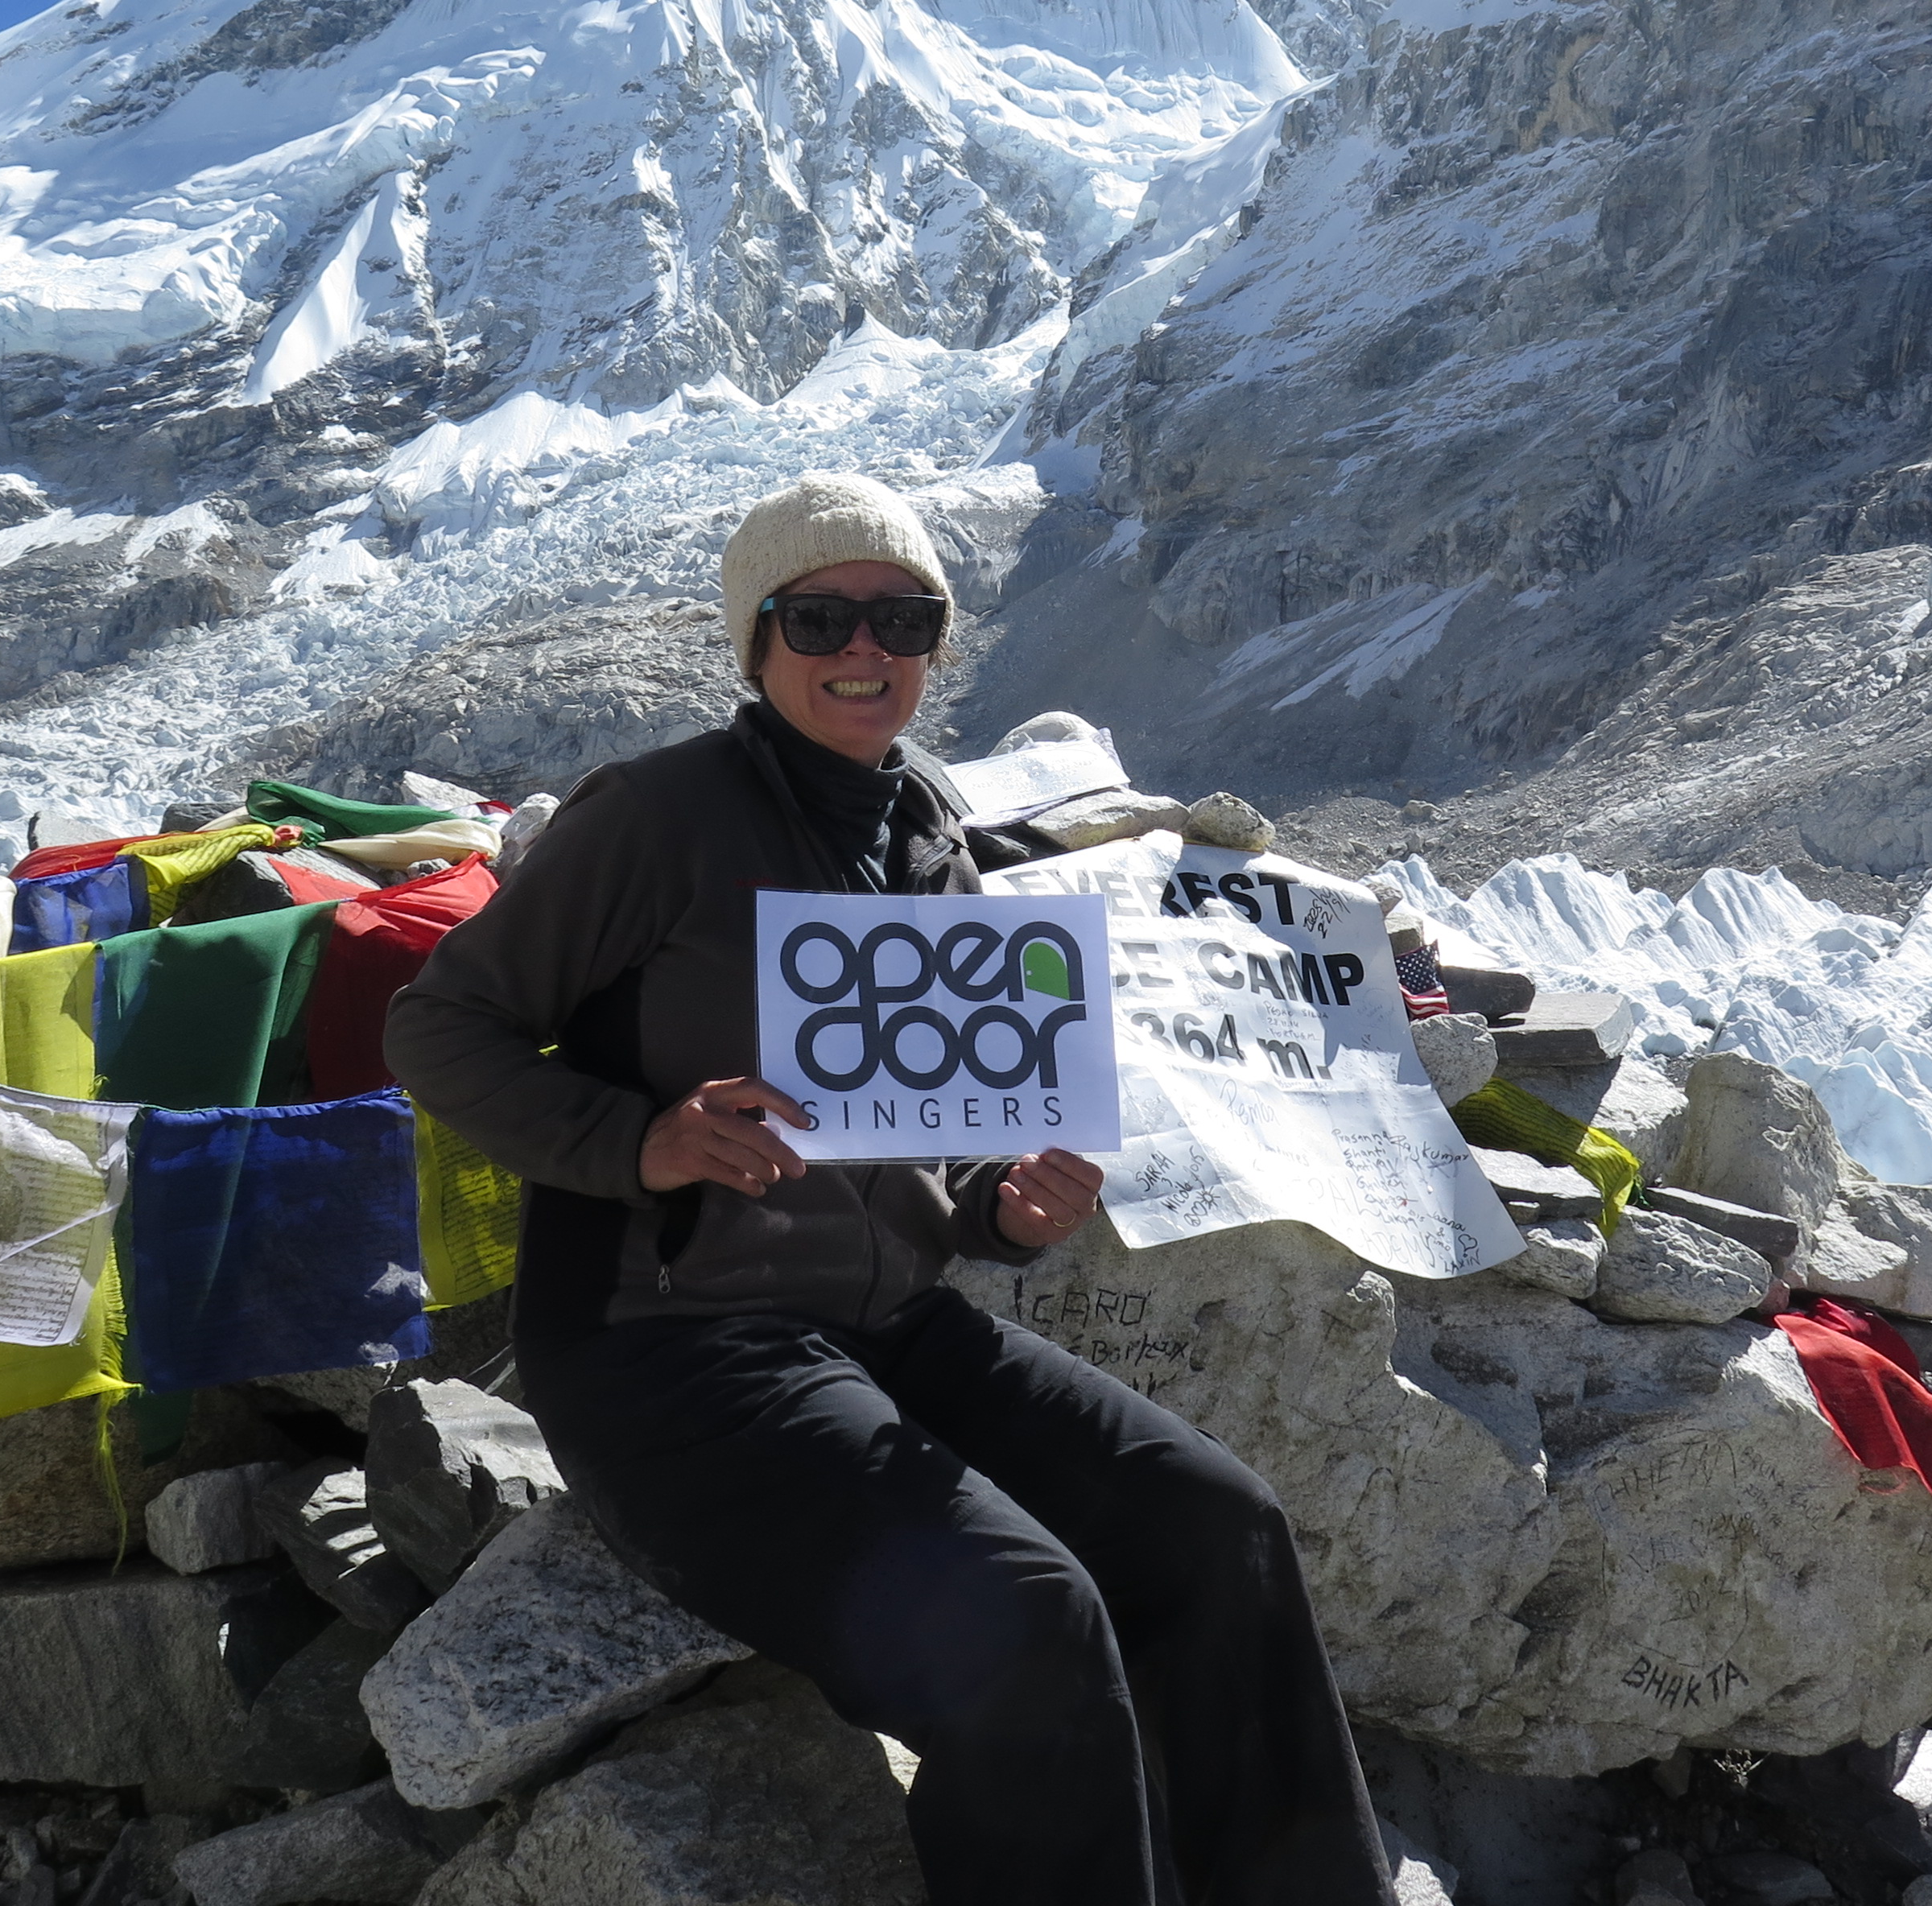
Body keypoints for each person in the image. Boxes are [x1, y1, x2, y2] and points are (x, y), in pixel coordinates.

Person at [386, 472, 1394, 1906]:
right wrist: (644, 1142)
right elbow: (439, 1028)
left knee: (1213, 1526)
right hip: (669, 1350)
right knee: (1026, 1623)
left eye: (904, 618)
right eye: (820, 617)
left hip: (887, 1327)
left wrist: (1004, 1207)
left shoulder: (924, 824)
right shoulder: (654, 818)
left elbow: (948, 1127)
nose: (866, 649)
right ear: (758, 640)